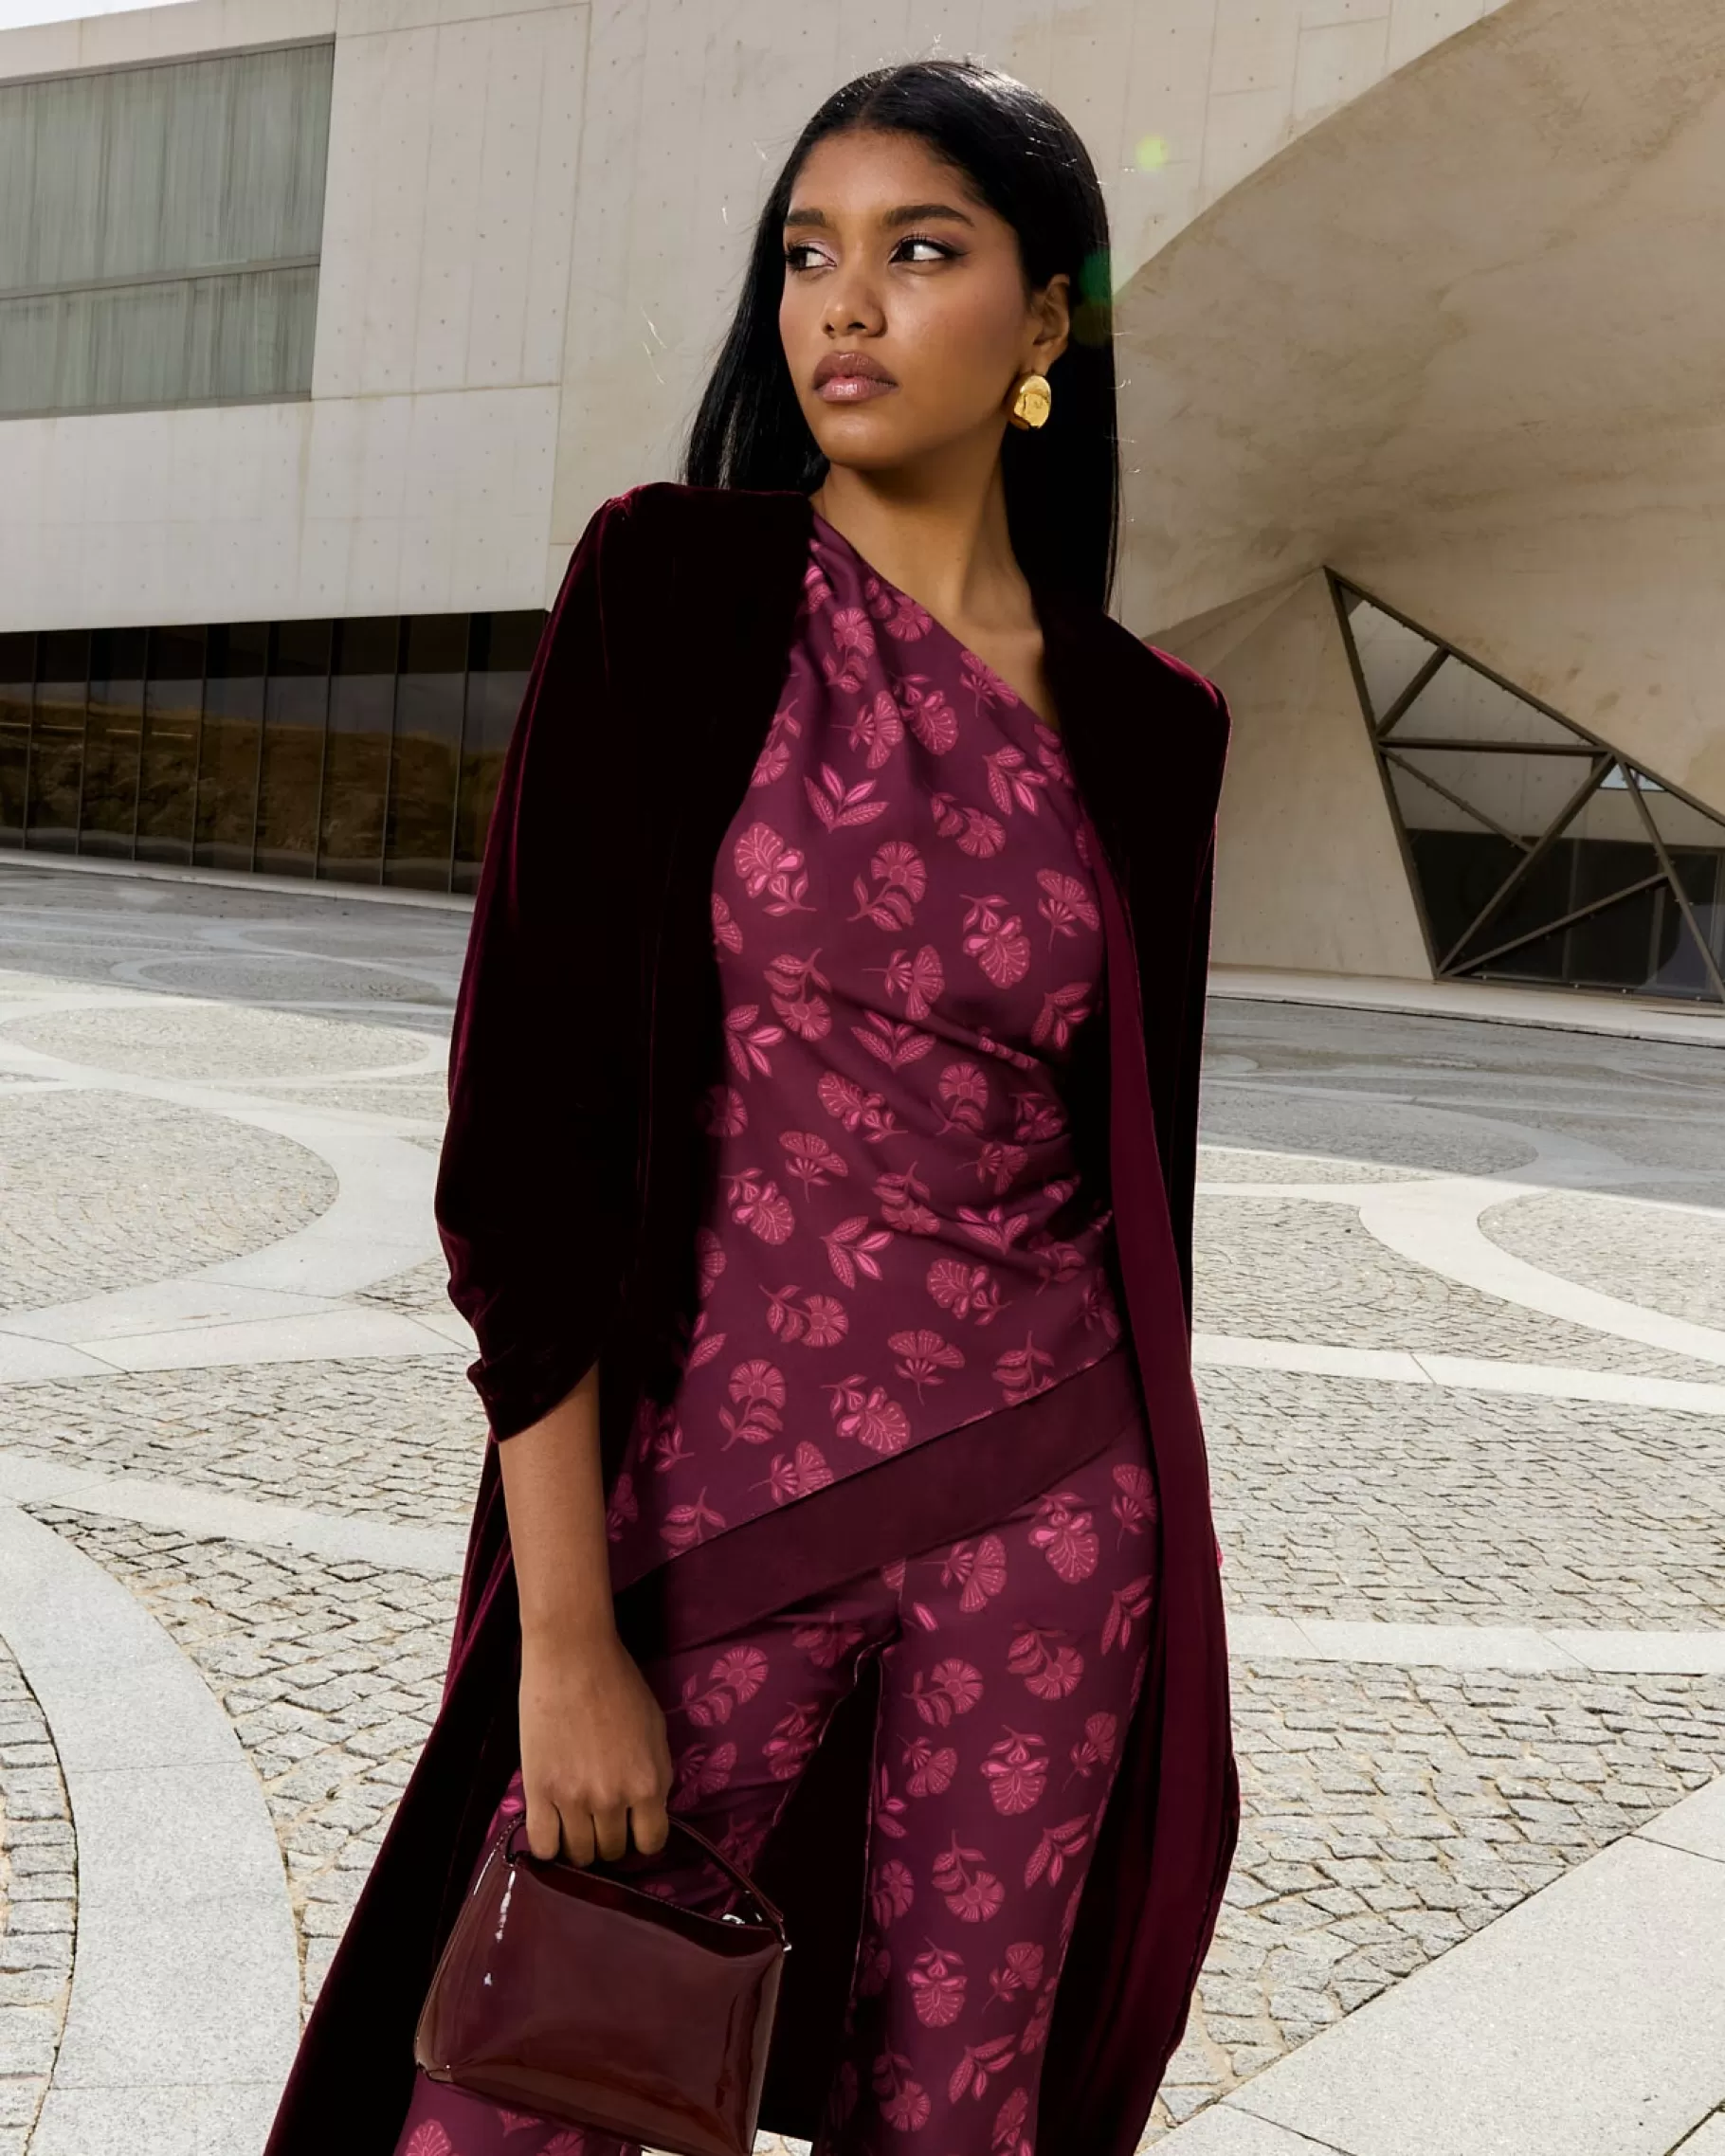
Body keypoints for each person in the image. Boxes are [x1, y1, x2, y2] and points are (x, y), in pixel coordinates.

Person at [265, 57, 1238, 2156]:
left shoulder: (1153, 731)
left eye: (918, 250)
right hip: (708, 1515)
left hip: (1058, 1525)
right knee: (513, 2098)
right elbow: (523, 1150)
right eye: (808, 252)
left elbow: (1133, 1182)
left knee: (955, 2118)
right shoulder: (678, 593)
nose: (843, 305)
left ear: (1046, 320)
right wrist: (565, 1642)